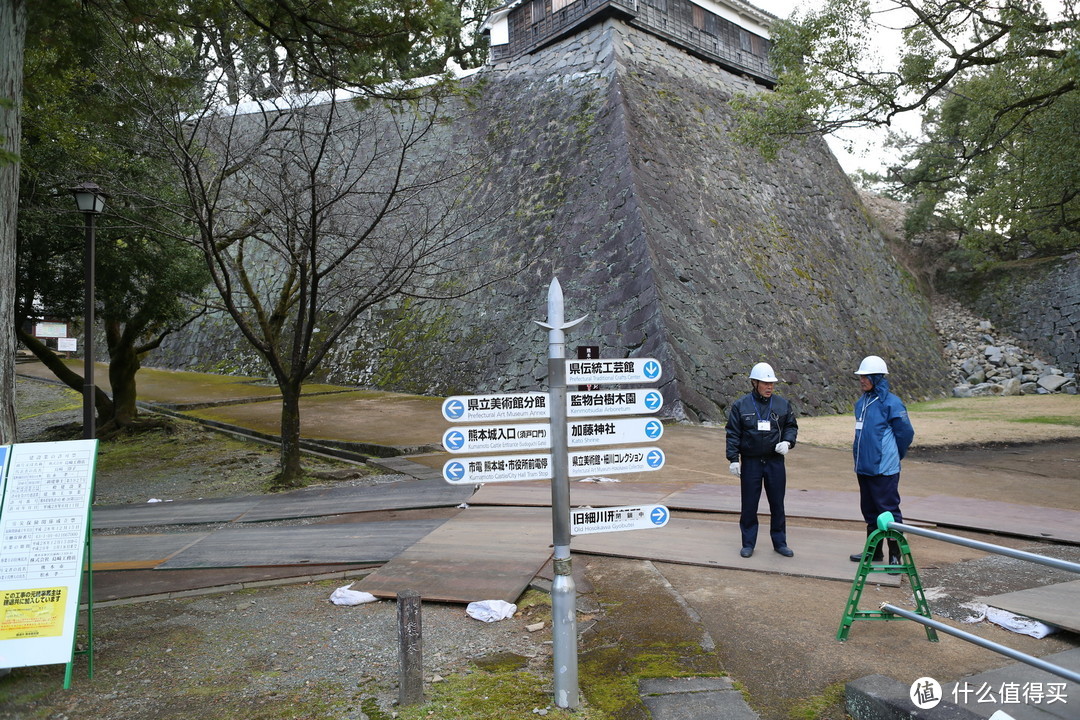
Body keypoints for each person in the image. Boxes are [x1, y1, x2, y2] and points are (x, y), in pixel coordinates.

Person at [726, 362, 799, 558]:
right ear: (754, 382)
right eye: (765, 383)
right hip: (751, 462)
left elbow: (791, 426)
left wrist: (788, 442)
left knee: (777, 504)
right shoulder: (741, 406)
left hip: (775, 462)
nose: (769, 387)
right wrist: (733, 459)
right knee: (749, 504)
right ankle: (748, 543)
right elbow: (733, 433)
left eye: (772, 384)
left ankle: (780, 542)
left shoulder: (782, 404)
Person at [849, 355, 915, 569]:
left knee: (888, 510)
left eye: (866, 377)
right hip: (864, 467)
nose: (862, 380)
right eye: (860, 377)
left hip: (883, 468)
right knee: (869, 510)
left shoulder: (891, 403)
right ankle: (874, 551)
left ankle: (895, 554)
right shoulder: (862, 403)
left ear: (877, 377)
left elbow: (905, 432)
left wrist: (895, 454)